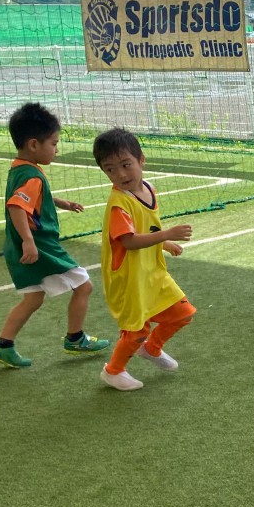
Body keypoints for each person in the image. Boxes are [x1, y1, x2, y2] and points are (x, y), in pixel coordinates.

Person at [0, 102, 109, 368]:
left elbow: (30, 199)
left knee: (33, 298)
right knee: (84, 285)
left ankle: (3, 345)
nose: (56, 149)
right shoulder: (32, 176)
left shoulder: (20, 169)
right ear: (33, 144)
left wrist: (61, 203)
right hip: (41, 247)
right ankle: (75, 338)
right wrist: (29, 241)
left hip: (19, 246)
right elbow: (17, 206)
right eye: (53, 143)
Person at [92, 128, 195, 392]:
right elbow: (128, 241)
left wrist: (164, 243)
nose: (120, 174)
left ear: (141, 160)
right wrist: (167, 234)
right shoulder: (119, 204)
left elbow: (145, 228)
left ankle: (152, 348)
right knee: (136, 330)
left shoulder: (149, 189)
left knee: (183, 314)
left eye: (125, 165)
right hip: (129, 279)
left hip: (152, 272)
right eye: (110, 170)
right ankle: (113, 371)